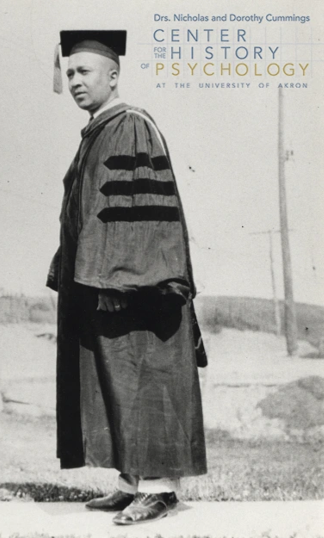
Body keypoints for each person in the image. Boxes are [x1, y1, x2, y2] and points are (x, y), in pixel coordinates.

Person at [47, 29, 207, 525]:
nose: (74, 80)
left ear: (113, 75)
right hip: (105, 280)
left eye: (84, 71)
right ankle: (130, 481)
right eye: (69, 71)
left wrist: (119, 275)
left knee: (147, 376)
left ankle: (161, 488)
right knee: (113, 378)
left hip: (136, 285)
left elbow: (138, 211)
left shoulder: (130, 126)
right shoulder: (98, 131)